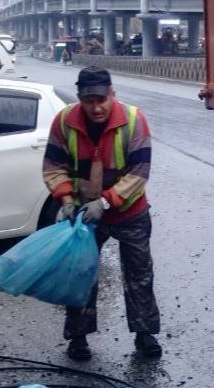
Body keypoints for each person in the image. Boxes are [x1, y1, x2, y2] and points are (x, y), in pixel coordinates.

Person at [42, 66, 161, 361]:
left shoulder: (134, 121)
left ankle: (144, 335)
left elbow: (139, 172)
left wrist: (106, 202)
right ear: (80, 98)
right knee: (80, 275)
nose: (96, 107)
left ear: (112, 95)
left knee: (139, 274)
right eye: (88, 101)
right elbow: (54, 167)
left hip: (128, 212)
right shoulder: (65, 122)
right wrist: (67, 199)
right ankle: (78, 338)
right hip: (83, 214)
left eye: (101, 100)